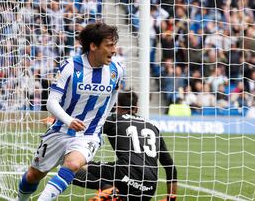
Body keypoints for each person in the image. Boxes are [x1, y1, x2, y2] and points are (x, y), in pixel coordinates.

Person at [18, 22, 124, 201]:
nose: (114, 50)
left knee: (73, 164)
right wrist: (68, 120)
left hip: (88, 134)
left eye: (114, 44)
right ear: (93, 46)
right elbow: (51, 102)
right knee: (33, 176)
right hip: (60, 130)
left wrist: (101, 119)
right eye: (109, 45)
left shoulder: (116, 70)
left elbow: (113, 95)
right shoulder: (70, 66)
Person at [72, 91, 178, 201]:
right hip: (149, 188)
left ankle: (106, 187)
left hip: (125, 176)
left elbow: (85, 127)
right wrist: (171, 197)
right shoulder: (153, 127)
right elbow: (170, 166)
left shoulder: (115, 119)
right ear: (136, 108)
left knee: (72, 167)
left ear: (117, 106)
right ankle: (115, 194)